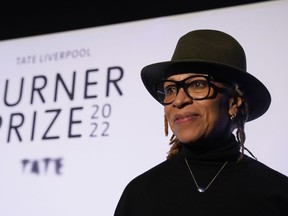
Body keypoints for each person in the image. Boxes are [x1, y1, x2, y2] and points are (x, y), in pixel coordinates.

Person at [114, 29, 288, 215]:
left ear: (233, 103)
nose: (179, 101)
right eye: (171, 89)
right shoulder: (140, 194)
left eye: (197, 84)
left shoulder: (277, 194)